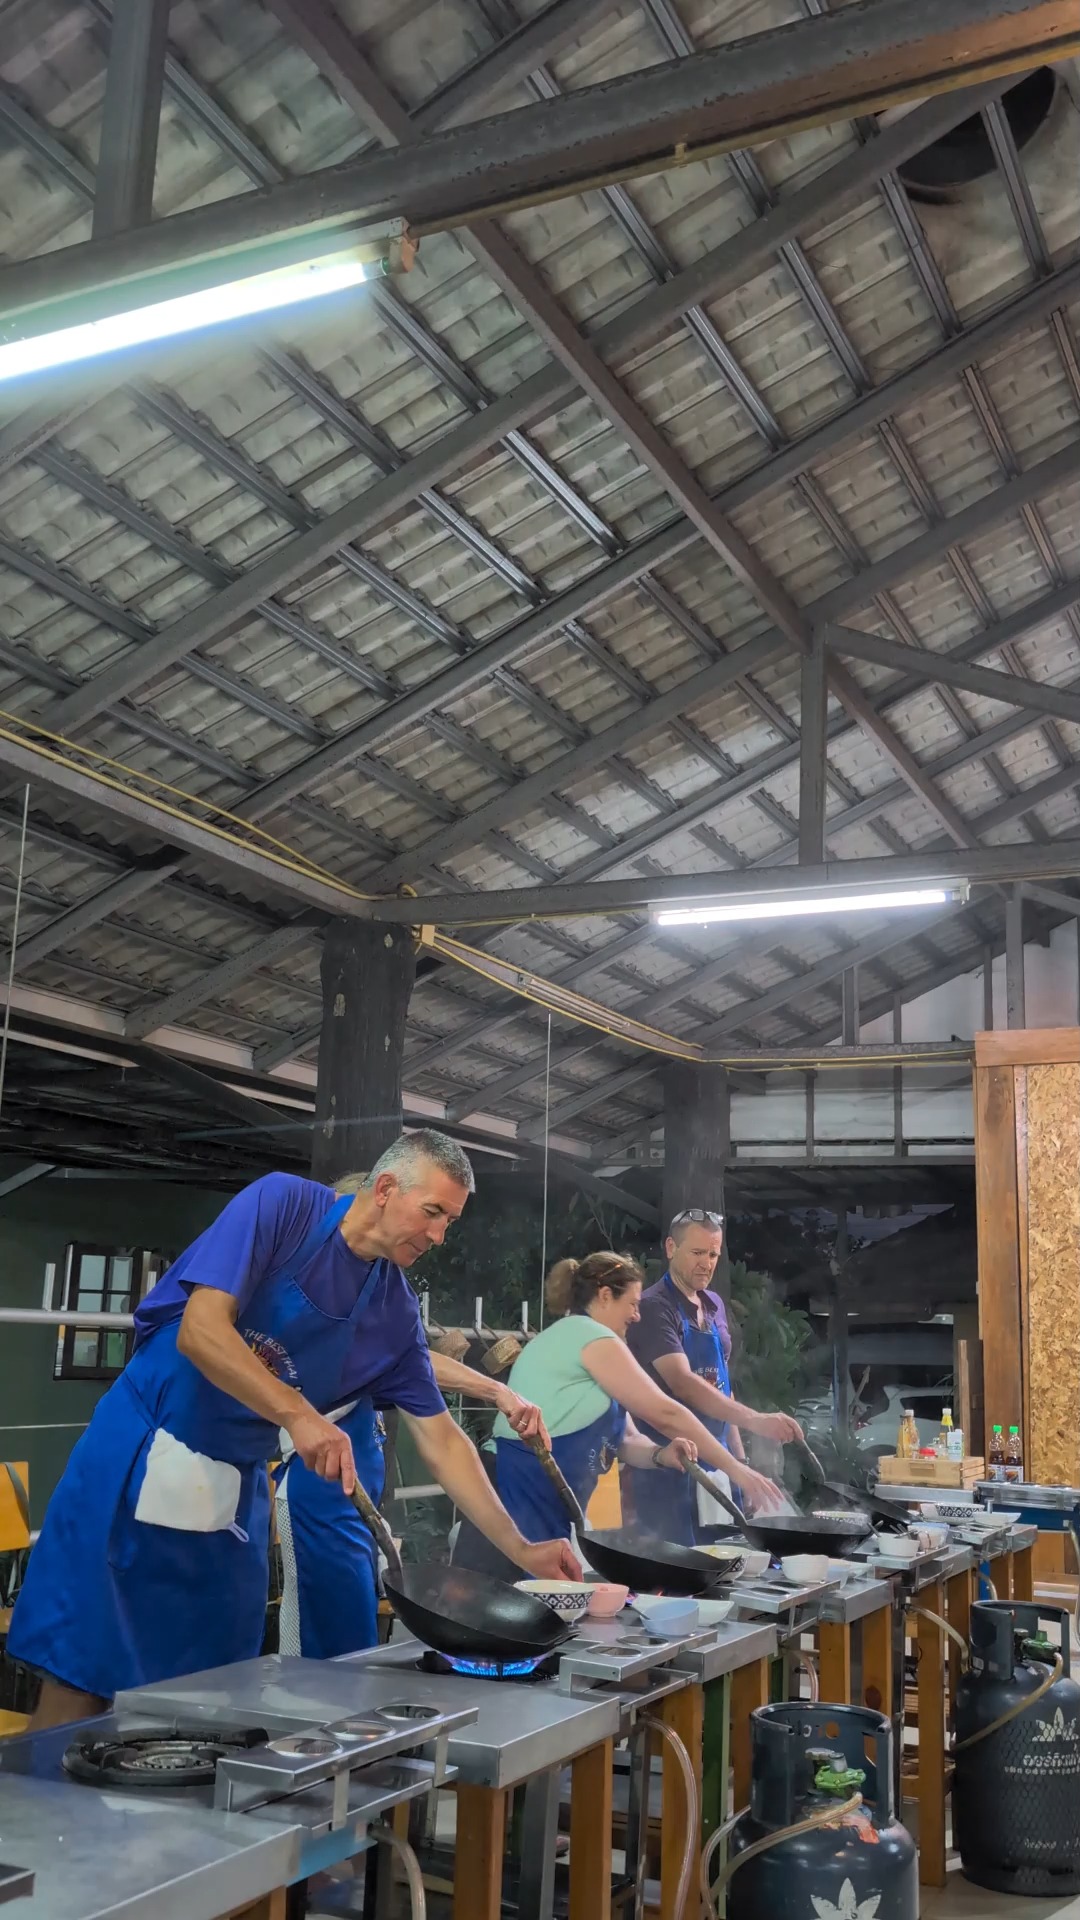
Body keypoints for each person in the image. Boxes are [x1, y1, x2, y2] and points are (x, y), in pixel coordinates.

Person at [9, 1131, 578, 1728]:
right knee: (84, 1663)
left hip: (234, 1486)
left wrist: (520, 1547)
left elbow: (442, 1440)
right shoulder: (282, 1207)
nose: (438, 1236)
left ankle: (159, 1818)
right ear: (385, 1189)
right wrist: (300, 1415)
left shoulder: (394, 1313)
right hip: (140, 1448)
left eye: (449, 1222)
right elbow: (200, 1330)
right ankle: (46, 1811)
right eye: (432, 1212)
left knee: (209, 1684)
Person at [275, 1169, 550, 1658]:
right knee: (319, 1648)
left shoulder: (385, 1301)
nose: (436, 1236)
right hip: (313, 1482)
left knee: (351, 1637)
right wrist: (496, 1392)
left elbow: (422, 1380)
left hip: (358, 1485)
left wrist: (497, 1393)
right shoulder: (300, 1285)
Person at [453, 1251, 780, 1577]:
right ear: (605, 1296)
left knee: (531, 1611)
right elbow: (666, 1414)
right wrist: (737, 1470)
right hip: (513, 1496)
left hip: (539, 1501)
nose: (637, 1316)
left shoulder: (580, 1341)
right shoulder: (590, 1336)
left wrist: (661, 1454)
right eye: (633, 1304)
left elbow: (624, 1438)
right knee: (502, 1611)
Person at [622, 1207, 804, 1544]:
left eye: (713, 1254)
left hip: (718, 1462)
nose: (706, 1262)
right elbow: (683, 1383)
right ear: (670, 1248)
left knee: (725, 1558)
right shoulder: (653, 1307)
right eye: (697, 1252)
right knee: (678, 1568)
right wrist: (756, 1420)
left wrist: (739, 1462)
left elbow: (721, 1387)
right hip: (669, 1464)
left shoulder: (715, 1305)